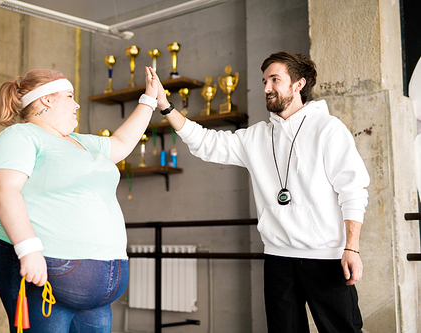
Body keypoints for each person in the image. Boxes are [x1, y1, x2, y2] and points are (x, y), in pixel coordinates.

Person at [155, 51, 369, 332]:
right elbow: (206, 142)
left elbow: (352, 189)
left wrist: (351, 247)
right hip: (278, 259)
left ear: (299, 84)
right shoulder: (256, 136)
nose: (267, 88)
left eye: (275, 79)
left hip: (326, 257)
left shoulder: (328, 129)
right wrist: (166, 107)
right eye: (264, 80)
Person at [0, 66, 161, 333]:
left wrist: (149, 99)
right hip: (44, 274)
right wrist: (28, 250)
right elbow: (4, 190)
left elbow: (122, 144)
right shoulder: (22, 135)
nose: (76, 103)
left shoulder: (82, 142)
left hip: (98, 289)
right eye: (69, 96)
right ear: (46, 99)